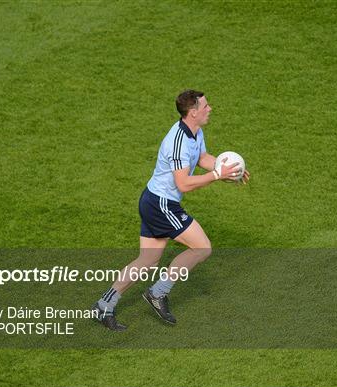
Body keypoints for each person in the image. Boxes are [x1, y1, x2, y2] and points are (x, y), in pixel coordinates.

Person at [92, 89, 250, 331]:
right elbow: (183, 183)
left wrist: (230, 169)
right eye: (206, 106)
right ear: (193, 112)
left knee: (148, 260)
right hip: (161, 204)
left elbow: (203, 157)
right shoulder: (177, 142)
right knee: (202, 247)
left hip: (153, 200)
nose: (210, 109)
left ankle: (104, 305)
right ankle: (157, 292)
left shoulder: (195, 132)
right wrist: (217, 175)